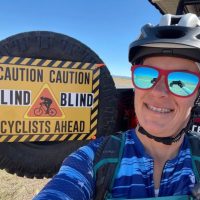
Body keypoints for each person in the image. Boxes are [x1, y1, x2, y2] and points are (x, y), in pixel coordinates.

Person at [34, 13, 200, 199]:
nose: (159, 91)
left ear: (197, 94)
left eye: (183, 81)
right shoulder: (93, 159)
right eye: (146, 76)